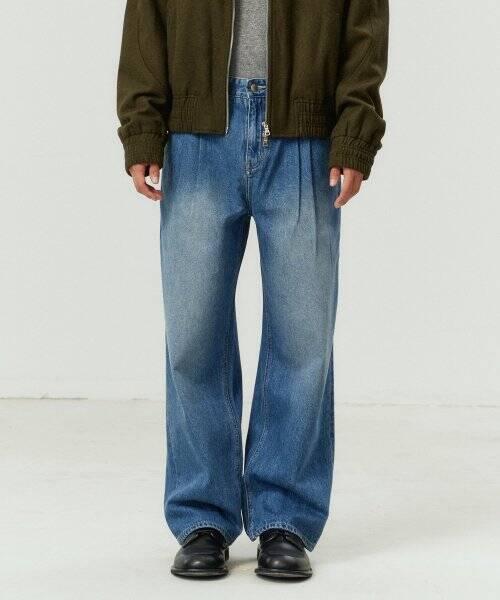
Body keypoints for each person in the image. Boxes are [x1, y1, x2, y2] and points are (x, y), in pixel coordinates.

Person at [117, 0, 388, 580]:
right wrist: (142, 127)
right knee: (192, 334)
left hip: (305, 139)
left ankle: (284, 517)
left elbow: (364, 32)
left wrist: (354, 134)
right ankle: (202, 516)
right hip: (195, 139)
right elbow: (146, 23)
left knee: (303, 336)